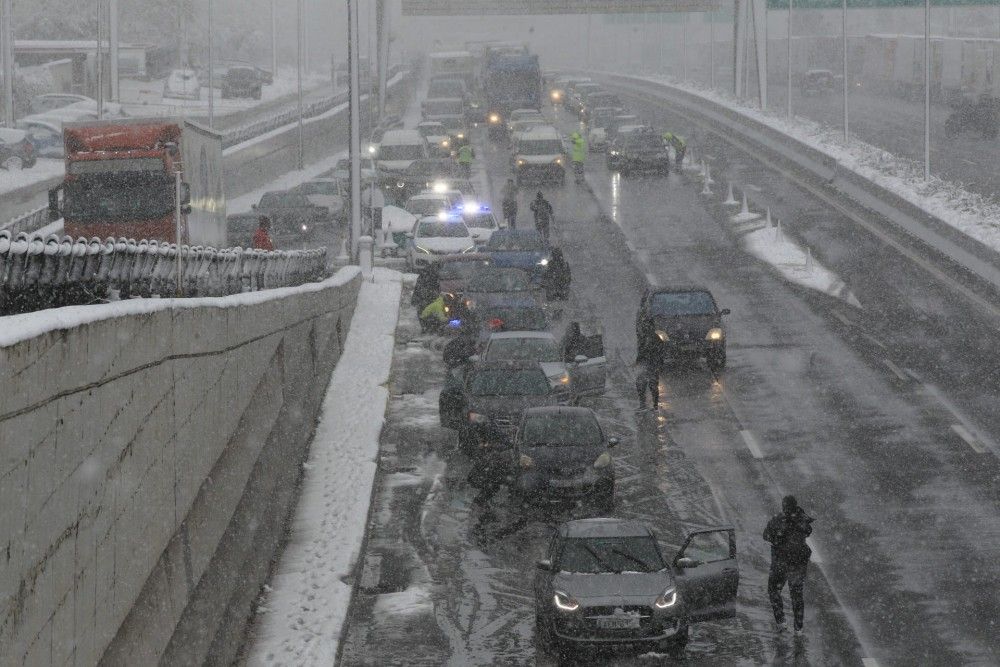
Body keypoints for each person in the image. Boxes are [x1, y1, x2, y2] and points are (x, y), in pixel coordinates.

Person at [763, 495, 814, 634]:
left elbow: (766, 535)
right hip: (798, 564)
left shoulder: (778, 520)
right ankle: (798, 628)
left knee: (773, 590)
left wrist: (776, 538)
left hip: (781, 563)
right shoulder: (802, 519)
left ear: (784, 506)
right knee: (797, 596)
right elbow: (808, 531)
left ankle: (781, 622)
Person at [635, 320, 663, 408]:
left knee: (644, 384)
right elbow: (660, 351)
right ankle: (653, 404)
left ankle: (646, 403)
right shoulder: (654, 337)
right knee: (651, 384)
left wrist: (639, 360)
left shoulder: (645, 338)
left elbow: (642, 351)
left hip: (648, 364)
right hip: (651, 364)